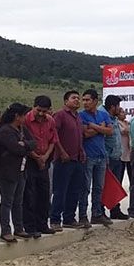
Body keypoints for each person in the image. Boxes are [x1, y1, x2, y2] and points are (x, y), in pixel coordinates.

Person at [0, 103, 36, 243]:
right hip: (6, 172)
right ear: (17, 116)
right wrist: (24, 145)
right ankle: (5, 231)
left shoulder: (21, 129)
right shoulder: (5, 130)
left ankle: (19, 228)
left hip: (20, 170)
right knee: (7, 201)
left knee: (18, 202)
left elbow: (33, 143)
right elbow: (16, 149)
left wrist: (24, 144)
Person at [50, 90, 87, 232]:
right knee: (60, 190)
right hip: (64, 160)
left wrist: (81, 150)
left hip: (77, 159)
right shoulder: (60, 115)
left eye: (78, 98)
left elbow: (79, 137)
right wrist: (61, 152)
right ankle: (54, 220)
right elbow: (54, 135)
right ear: (66, 101)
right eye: (73, 98)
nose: (77, 100)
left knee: (74, 191)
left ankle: (69, 218)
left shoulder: (77, 117)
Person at [23, 96, 58, 237]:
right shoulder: (25, 120)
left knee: (44, 194)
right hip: (31, 160)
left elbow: (53, 141)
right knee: (30, 195)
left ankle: (43, 224)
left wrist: (45, 157)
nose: (41, 114)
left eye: (44, 111)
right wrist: (36, 157)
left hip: (45, 160)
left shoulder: (50, 121)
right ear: (33, 107)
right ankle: (30, 227)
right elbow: (23, 141)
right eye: (39, 110)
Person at [79, 89, 113, 226]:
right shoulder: (81, 116)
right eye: (84, 100)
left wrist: (93, 126)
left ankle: (97, 213)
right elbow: (85, 134)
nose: (85, 103)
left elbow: (110, 131)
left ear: (95, 101)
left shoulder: (103, 115)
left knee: (99, 187)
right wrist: (100, 128)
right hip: (88, 156)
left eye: (88, 100)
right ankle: (82, 215)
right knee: (85, 187)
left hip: (101, 155)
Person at [100, 95, 129, 220]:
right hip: (108, 158)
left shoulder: (114, 118)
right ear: (113, 107)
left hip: (117, 157)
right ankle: (99, 211)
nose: (120, 109)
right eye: (118, 106)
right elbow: (102, 139)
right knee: (103, 185)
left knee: (115, 185)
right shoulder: (104, 117)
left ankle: (115, 209)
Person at [117, 107, 132, 184]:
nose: (124, 114)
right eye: (122, 112)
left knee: (132, 175)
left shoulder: (127, 122)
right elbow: (124, 131)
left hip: (129, 151)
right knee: (120, 175)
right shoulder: (117, 123)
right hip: (121, 151)